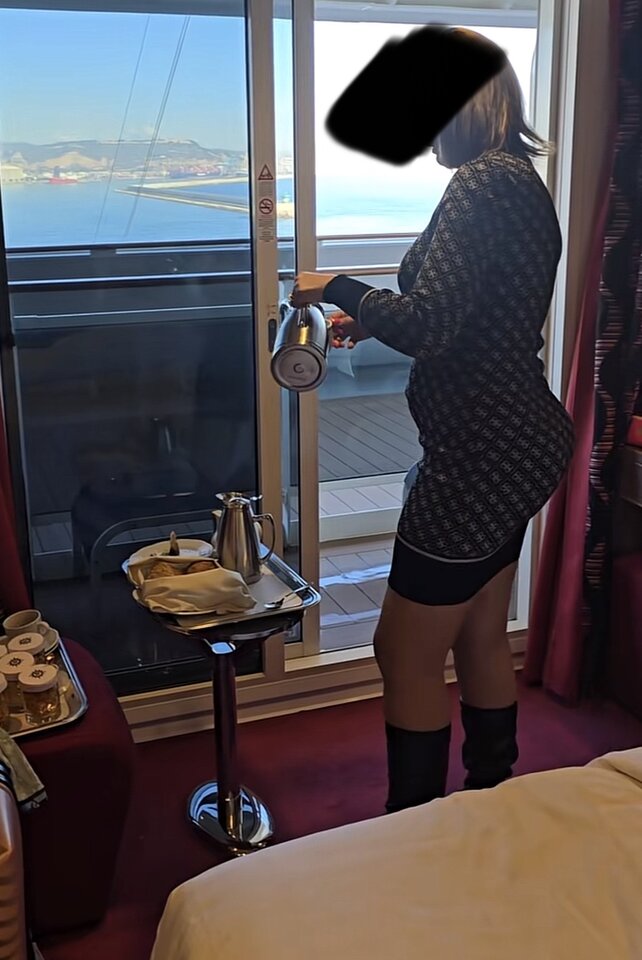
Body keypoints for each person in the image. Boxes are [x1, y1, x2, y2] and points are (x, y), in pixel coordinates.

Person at [290, 28, 575, 814]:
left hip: (480, 453)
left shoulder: (481, 186)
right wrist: (370, 319)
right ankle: (490, 799)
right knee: (479, 630)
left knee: (403, 648)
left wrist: (333, 285)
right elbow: (470, 310)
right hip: (518, 442)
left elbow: (431, 325)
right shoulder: (514, 179)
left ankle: (412, 826)